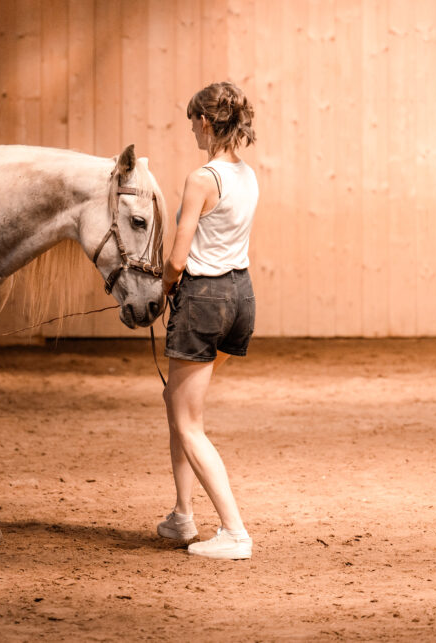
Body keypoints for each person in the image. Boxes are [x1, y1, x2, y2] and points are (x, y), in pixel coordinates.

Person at [158, 81, 258, 560]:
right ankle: (181, 516)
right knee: (176, 401)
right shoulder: (248, 175)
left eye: (191, 120)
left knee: (189, 422)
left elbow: (178, 258)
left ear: (204, 120)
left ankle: (234, 532)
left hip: (203, 300)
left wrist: (161, 291)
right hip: (239, 297)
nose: (190, 129)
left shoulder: (202, 178)